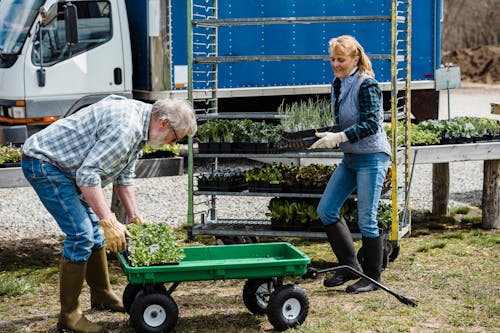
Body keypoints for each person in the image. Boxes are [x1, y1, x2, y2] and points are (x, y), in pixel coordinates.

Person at [21, 95, 197, 333]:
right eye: (175, 138)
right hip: (45, 163)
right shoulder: (125, 128)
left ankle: (102, 295)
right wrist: (108, 220)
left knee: (93, 232)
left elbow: (123, 178)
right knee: (82, 234)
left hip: (65, 167)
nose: (173, 145)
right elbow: (88, 177)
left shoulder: (144, 123)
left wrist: (134, 216)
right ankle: (69, 316)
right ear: (164, 123)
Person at [310, 35, 391, 293]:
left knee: (366, 218)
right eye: (333, 59)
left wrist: (340, 137)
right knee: (326, 210)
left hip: (372, 157)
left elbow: (371, 125)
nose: (335, 64)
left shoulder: (368, 85)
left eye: (341, 60)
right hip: (350, 158)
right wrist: (327, 133)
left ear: (355, 58)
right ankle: (349, 266)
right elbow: (343, 118)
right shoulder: (338, 83)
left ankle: (372, 278)